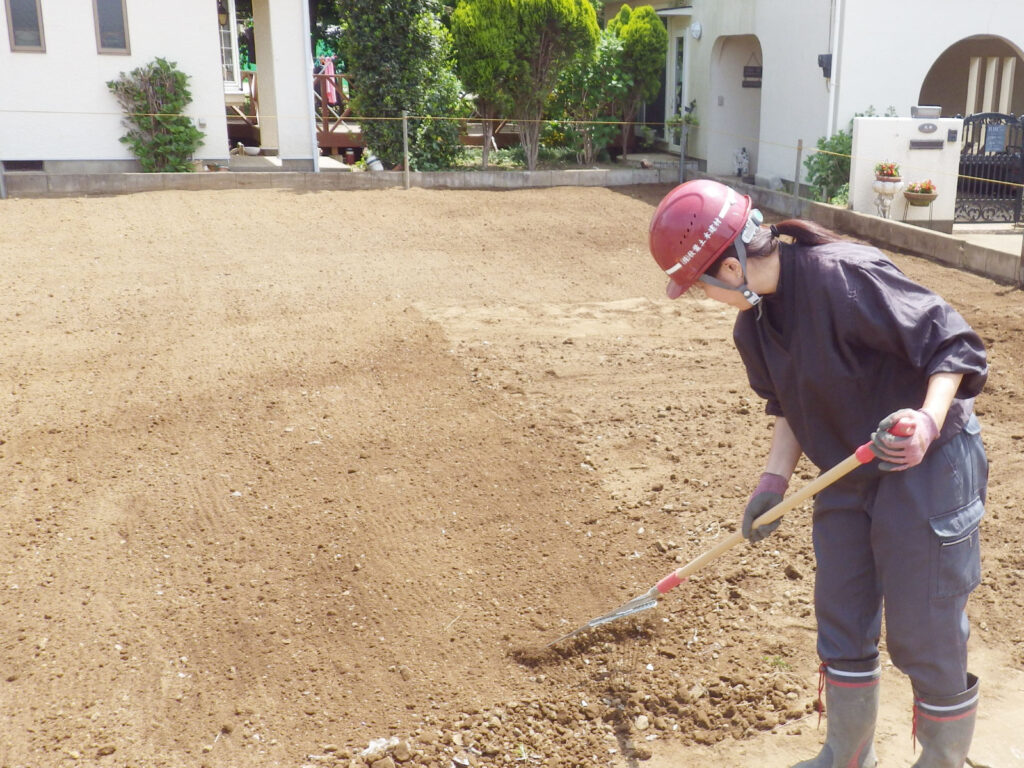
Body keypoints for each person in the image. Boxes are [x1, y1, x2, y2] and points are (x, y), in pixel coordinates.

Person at [648, 179, 988, 768]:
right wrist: (771, 483)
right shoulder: (753, 326)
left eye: (701, 287)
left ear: (730, 269)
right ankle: (847, 754)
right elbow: (792, 404)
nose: (705, 298)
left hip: (926, 464)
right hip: (846, 467)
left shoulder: (844, 277)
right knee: (841, 612)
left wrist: (926, 422)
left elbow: (951, 344)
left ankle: (942, 761)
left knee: (923, 625)